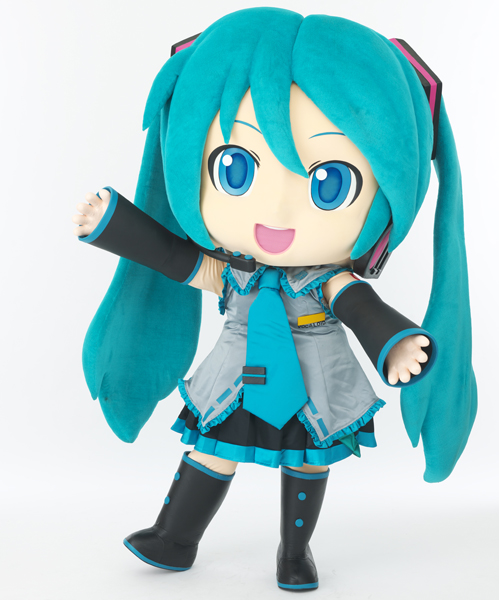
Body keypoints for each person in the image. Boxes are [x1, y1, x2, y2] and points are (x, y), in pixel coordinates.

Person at [72, 7, 476, 591]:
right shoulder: (235, 273)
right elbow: (178, 261)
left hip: (315, 379)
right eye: (234, 169)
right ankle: (174, 536)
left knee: (307, 459)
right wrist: (115, 225)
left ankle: (295, 552)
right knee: (210, 449)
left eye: (329, 182)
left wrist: (394, 343)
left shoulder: (322, 280)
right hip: (235, 374)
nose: (277, 216)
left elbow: (359, 308)